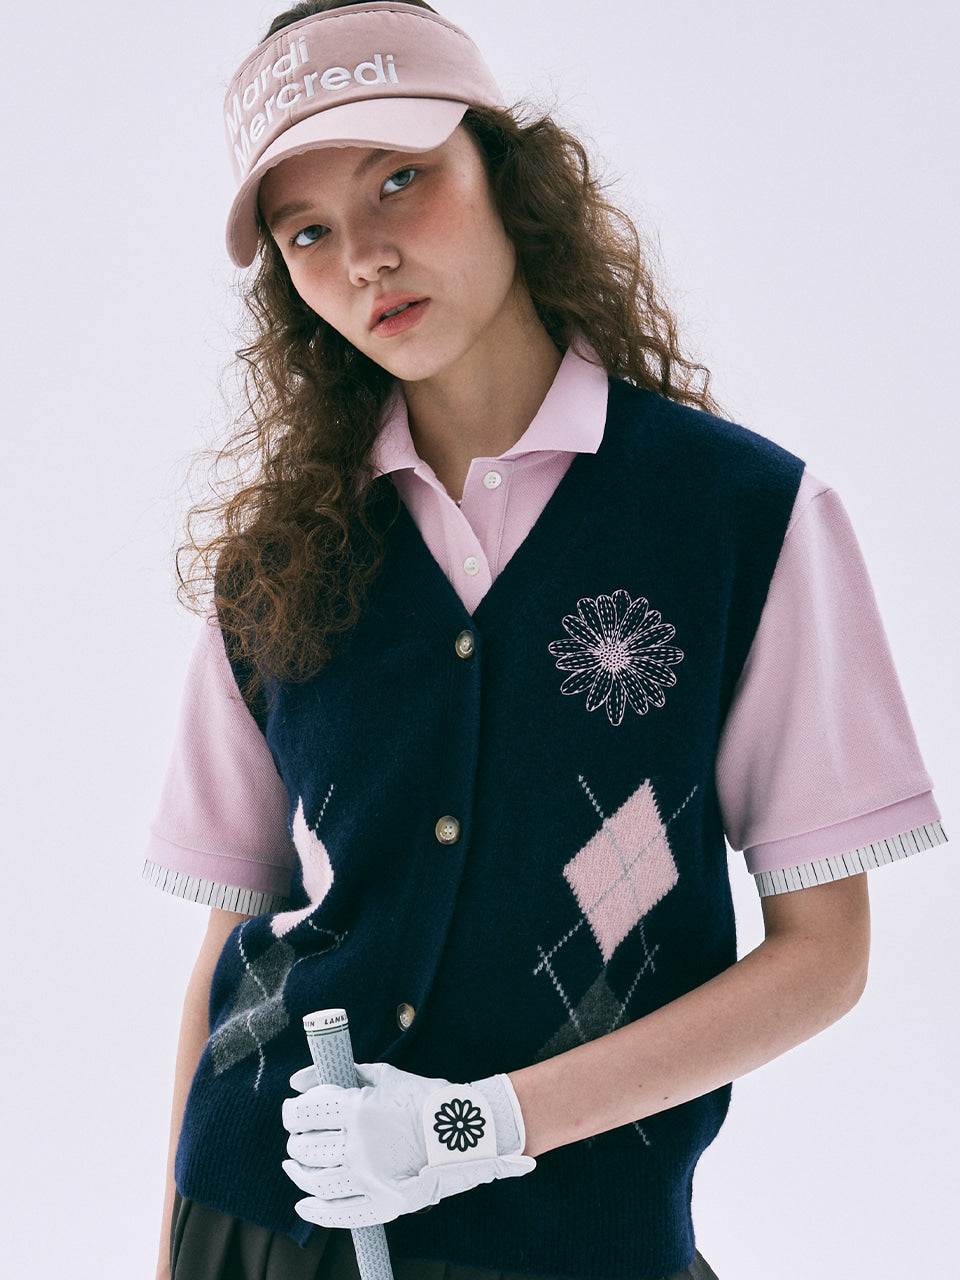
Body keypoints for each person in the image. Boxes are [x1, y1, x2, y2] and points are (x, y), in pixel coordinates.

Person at [145, 2, 947, 1277]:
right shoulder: (278, 565)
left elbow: (824, 954)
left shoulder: (739, 519)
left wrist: (482, 1122)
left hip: (581, 1240)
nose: (365, 257)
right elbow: (228, 943)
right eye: (309, 233)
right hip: (264, 1225)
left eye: (400, 179)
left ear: (507, 169)